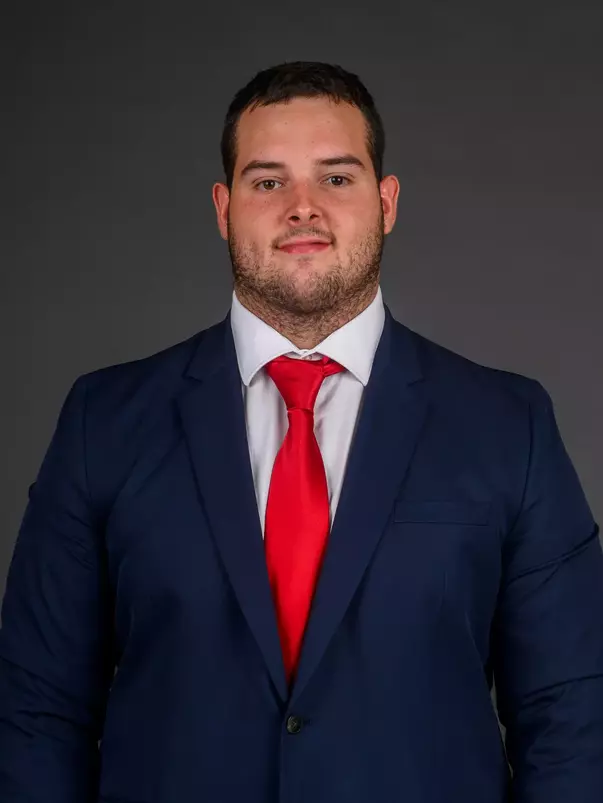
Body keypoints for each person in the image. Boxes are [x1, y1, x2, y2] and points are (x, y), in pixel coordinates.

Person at [0, 60, 602, 803]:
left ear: (386, 202)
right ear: (223, 207)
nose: (301, 207)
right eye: (267, 180)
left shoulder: (509, 426)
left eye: (336, 178)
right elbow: (36, 710)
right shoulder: (104, 421)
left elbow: (571, 716)